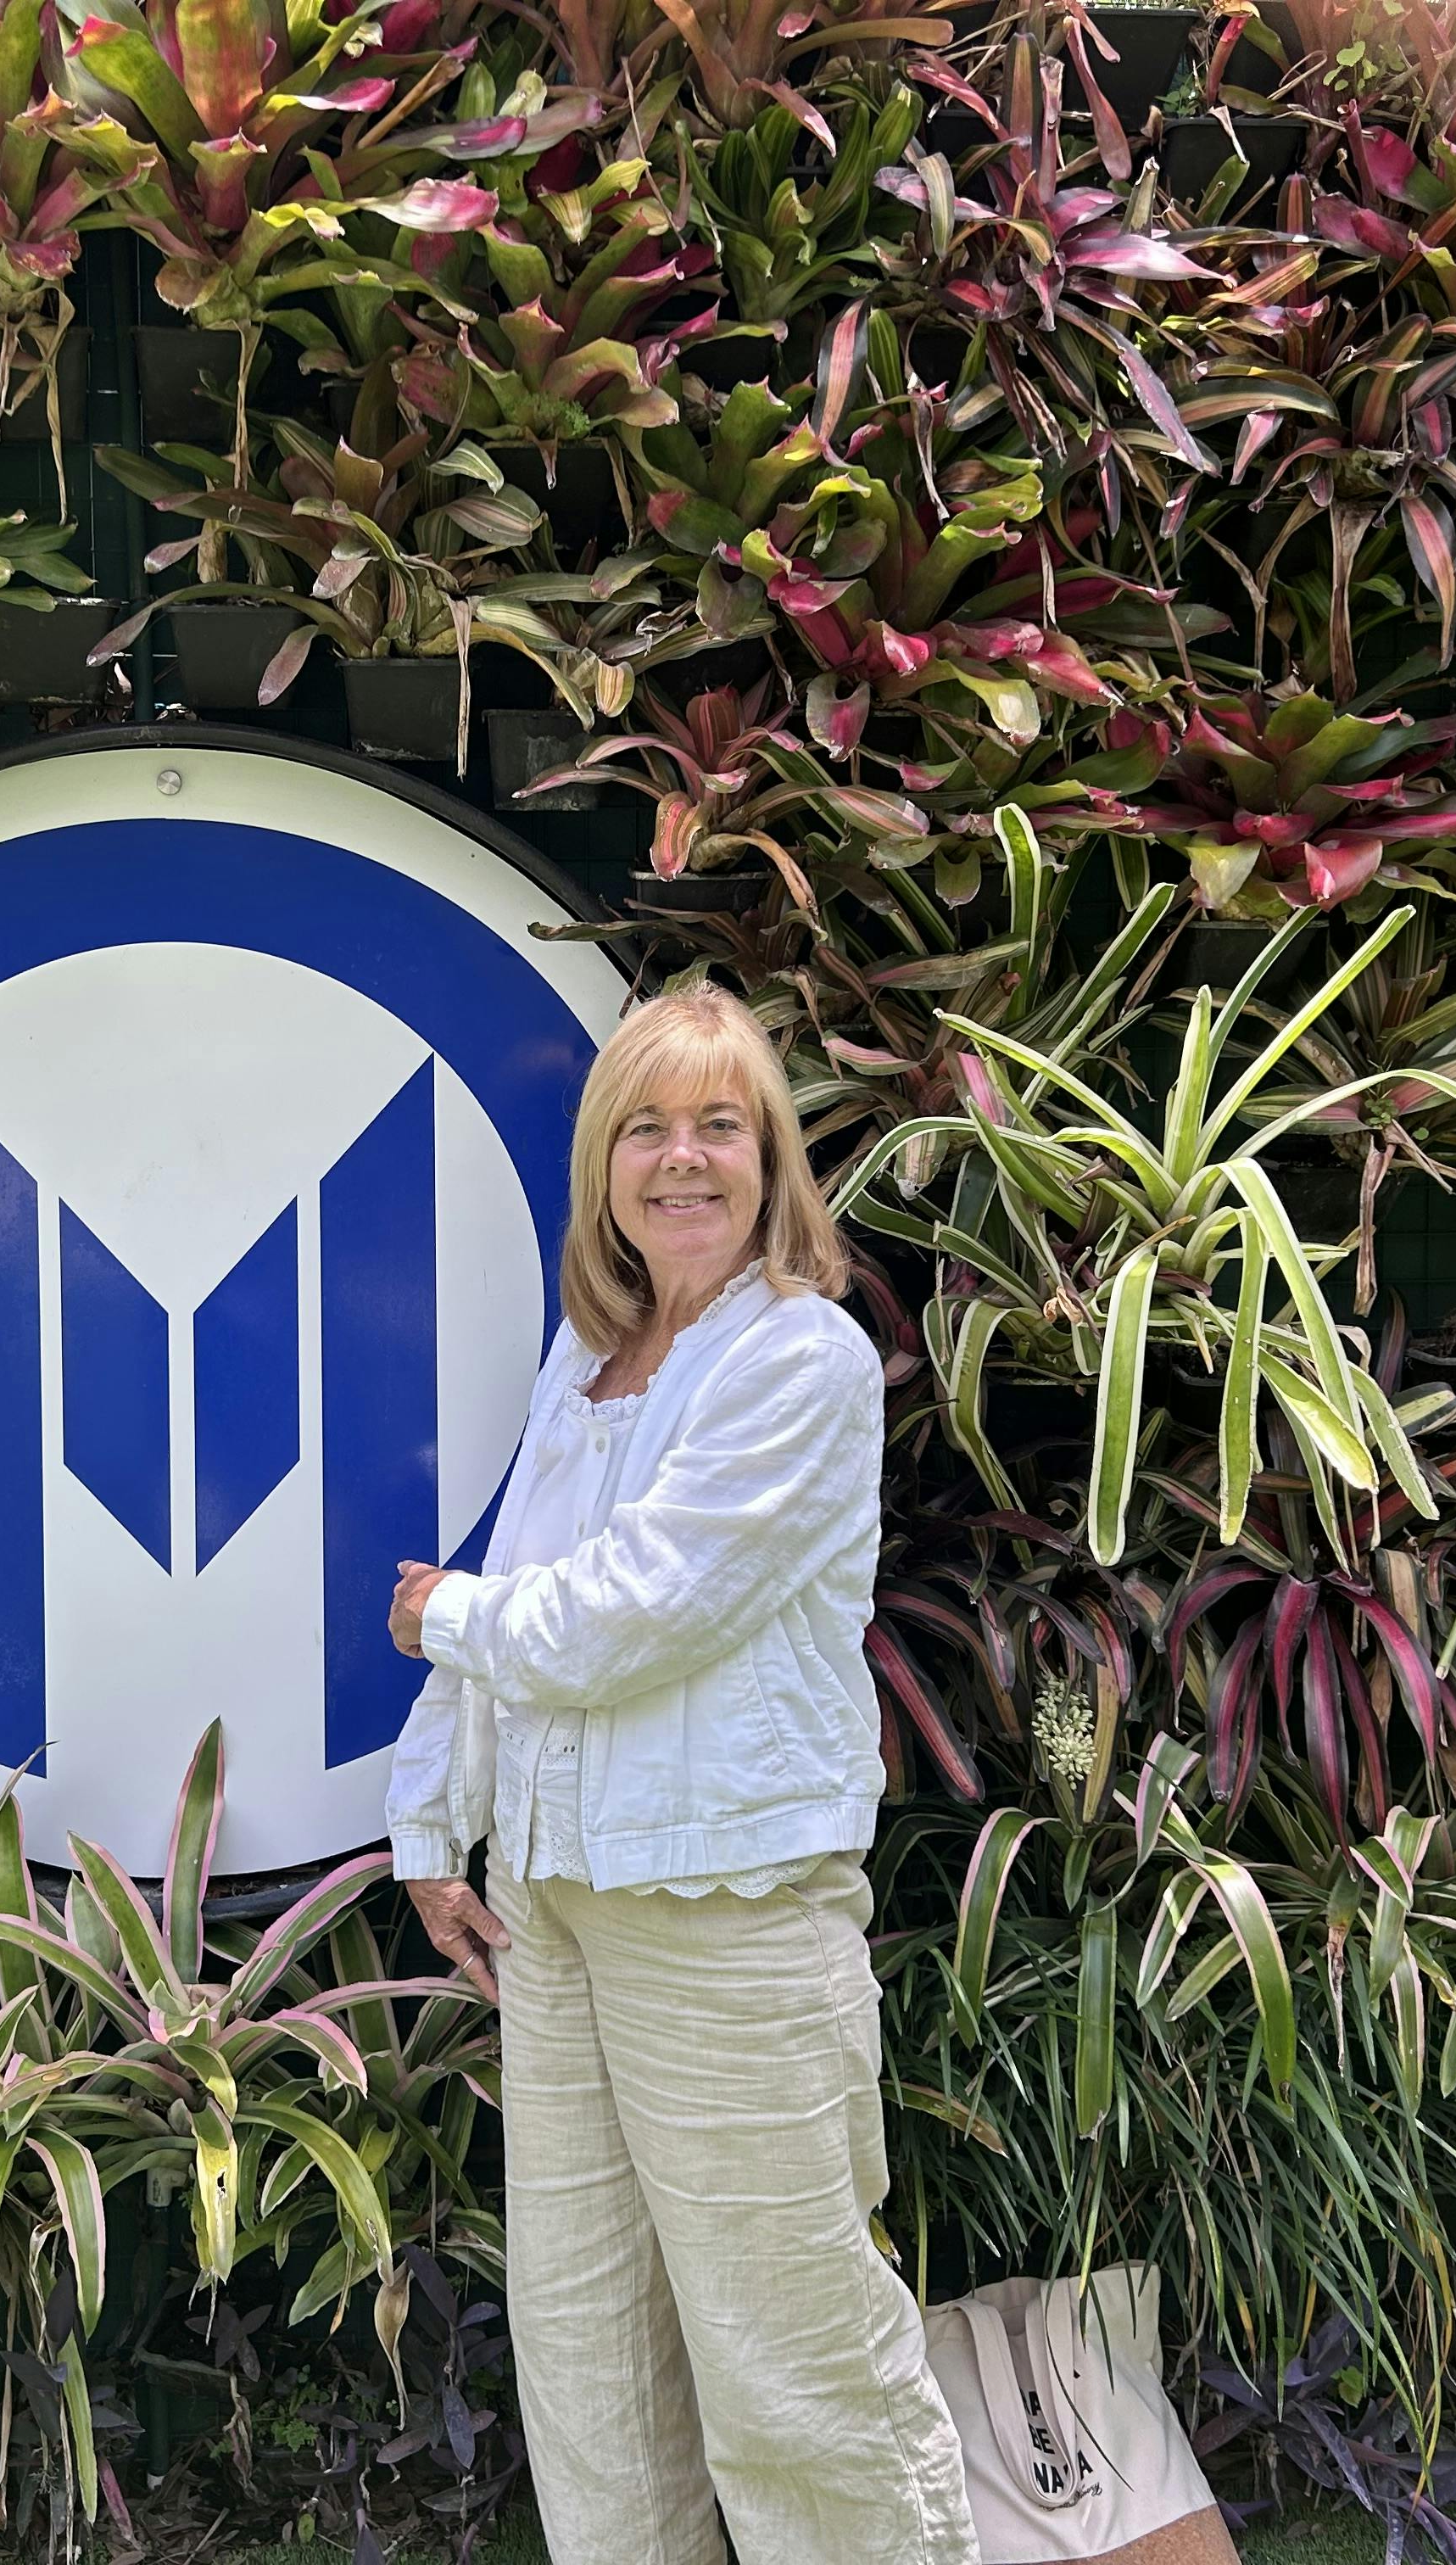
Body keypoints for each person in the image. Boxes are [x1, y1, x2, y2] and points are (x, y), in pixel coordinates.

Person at [384, 985, 979, 2565]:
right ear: (604, 1166)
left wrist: (444, 1613)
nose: (683, 1159)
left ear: (771, 1156)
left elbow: (631, 1613)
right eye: (645, 1128)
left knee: (793, 2360)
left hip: (725, 1910)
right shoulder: (592, 1353)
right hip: (558, 1905)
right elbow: (528, 1588)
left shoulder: (801, 1359)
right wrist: (435, 1826)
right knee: (592, 2361)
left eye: (720, 1124)